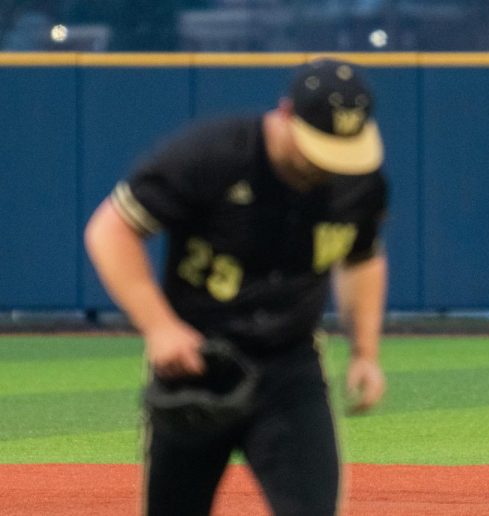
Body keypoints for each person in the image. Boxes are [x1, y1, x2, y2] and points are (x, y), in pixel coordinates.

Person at [84, 58, 389, 515]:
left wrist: (365, 353)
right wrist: (160, 327)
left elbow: (362, 258)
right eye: (318, 147)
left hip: (290, 368)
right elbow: (110, 230)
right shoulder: (213, 154)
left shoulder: (357, 182)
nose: (327, 165)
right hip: (197, 365)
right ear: (285, 116)